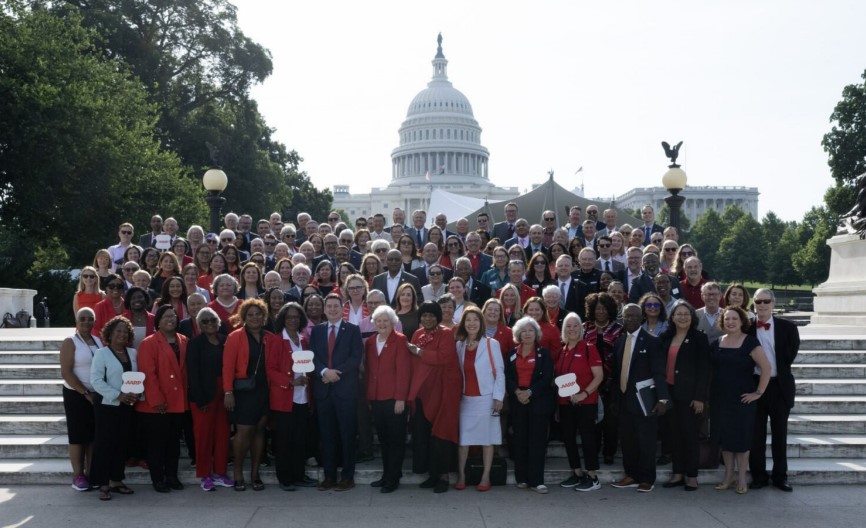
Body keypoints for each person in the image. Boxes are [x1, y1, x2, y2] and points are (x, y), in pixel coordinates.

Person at [710, 306, 771, 494]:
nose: (730, 322)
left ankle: (742, 479)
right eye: (727, 319)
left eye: (734, 319)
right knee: (726, 441)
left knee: (742, 442)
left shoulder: (750, 343)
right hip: (721, 399)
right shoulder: (716, 343)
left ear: (741, 321)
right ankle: (728, 477)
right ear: (722, 321)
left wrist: (758, 393)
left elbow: (766, 369)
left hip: (743, 401)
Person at [610, 304, 669, 493]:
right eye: (627, 316)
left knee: (647, 442)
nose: (631, 319)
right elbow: (617, 373)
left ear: (641, 317)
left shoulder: (652, 342)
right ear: (622, 318)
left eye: (635, 316)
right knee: (628, 441)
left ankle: (646, 478)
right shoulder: (619, 342)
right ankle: (631, 475)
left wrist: (662, 399)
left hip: (645, 401)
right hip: (623, 401)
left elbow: (659, 372)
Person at [310, 294, 364, 491]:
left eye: (336, 306)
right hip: (323, 391)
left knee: (347, 434)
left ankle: (347, 477)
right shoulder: (316, 331)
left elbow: (355, 357)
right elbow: (313, 357)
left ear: (343, 309)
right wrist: (324, 371)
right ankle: (329, 476)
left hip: (345, 390)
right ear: (324, 310)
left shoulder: (352, 330)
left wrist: (335, 373)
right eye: (329, 306)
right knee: (327, 435)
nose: (332, 309)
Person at [748, 289, 800, 492]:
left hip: (779, 386)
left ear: (773, 303)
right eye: (758, 301)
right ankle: (758, 476)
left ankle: (780, 476)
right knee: (756, 435)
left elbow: (791, 353)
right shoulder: (747, 328)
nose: (761, 305)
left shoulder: (788, 327)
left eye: (766, 301)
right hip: (754, 385)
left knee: (780, 434)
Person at [408, 301, 461, 493]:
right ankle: (432, 474)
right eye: (424, 315)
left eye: (431, 315)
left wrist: (421, 352)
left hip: (442, 391)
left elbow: (445, 357)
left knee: (441, 434)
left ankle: (443, 476)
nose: (427, 318)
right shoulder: (417, 334)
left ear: (437, 317)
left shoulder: (446, 333)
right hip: (423, 391)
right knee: (424, 434)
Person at [659, 301, 711, 491]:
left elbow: (704, 369)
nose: (682, 317)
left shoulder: (699, 338)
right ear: (672, 317)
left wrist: (699, 397)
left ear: (692, 317)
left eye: (686, 314)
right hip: (669, 394)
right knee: (674, 436)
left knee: (689, 436)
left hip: (689, 396)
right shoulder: (665, 337)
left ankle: (692, 476)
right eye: (678, 314)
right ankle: (678, 473)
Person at [136, 305, 188, 493]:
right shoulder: (148, 343)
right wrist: (157, 400)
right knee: (157, 445)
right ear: (158, 320)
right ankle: (158, 479)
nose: (170, 319)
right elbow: (148, 374)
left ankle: (172, 477)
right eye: (166, 316)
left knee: (173, 445)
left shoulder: (184, 340)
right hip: (156, 405)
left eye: (173, 316)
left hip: (177, 402)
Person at [454, 307, 505, 492]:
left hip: (487, 398)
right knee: (463, 441)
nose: (471, 323)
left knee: (487, 440)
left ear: (481, 322)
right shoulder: (459, 345)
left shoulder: (492, 344)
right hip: (466, 399)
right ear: (463, 323)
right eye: (468, 320)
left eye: (475, 320)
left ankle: (485, 477)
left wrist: (498, 397)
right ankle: (462, 475)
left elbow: (500, 372)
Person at [267, 303, 316, 491]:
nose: (293, 320)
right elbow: (270, 370)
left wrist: (306, 378)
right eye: (289, 318)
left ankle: (299, 475)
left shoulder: (303, 339)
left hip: (302, 398)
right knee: (284, 441)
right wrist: (289, 381)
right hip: (284, 399)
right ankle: (285, 478)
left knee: (299, 439)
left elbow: (306, 366)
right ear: (282, 320)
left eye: (296, 317)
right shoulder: (277, 340)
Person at [223, 299, 271, 491]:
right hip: (243, 392)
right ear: (243, 317)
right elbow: (227, 366)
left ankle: (255, 474)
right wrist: (228, 392)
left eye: (258, 314)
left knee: (260, 430)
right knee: (243, 432)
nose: (254, 317)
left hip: (264, 391)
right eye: (250, 314)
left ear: (264, 316)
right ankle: (237, 472)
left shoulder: (270, 337)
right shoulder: (235, 337)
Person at [89, 316, 138, 501]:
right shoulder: (102, 354)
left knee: (121, 443)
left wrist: (134, 395)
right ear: (110, 333)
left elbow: (136, 377)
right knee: (105, 443)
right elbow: (96, 381)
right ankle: (103, 483)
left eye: (125, 332)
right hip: (107, 405)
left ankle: (117, 480)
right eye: (118, 331)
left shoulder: (133, 353)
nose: (122, 334)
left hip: (127, 405)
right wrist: (118, 395)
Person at [365, 305, 411, 493]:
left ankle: (393, 477)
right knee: (384, 439)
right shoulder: (370, 341)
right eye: (378, 321)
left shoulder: (400, 340)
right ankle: (386, 474)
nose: (382, 324)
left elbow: (404, 371)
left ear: (393, 322)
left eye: (386, 320)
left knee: (395, 439)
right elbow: (368, 370)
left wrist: (401, 398)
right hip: (376, 397)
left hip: (394, 399)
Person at [505, 316, 554, 493]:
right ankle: (522, 478)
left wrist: (529, 392)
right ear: (518, 333)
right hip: (518, 401)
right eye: (524, 331)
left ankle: (537, 480)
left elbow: (547, 378)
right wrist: (517, 392)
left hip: (538, 401)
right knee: (520, 440)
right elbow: (508, 377)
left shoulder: (544, 353)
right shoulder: (511, 354)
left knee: (537, 441)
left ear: (536, 333)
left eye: (530, 330)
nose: (527, 333)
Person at [186, 307, 233, 492]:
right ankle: (205, 474)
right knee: (204, 437)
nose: (210, 324)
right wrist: (200, 399)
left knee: (222, 435)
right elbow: (193, 372)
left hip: (224, 394)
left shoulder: (224, 340)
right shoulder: (195, 343)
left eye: (213, 320)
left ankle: (220, 472)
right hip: (203, 395)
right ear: (199, 325)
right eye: (205, 321)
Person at [556, 312, 604, 492]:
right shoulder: (563, 349)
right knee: (568, 438)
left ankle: (592, 477)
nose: (572, 329)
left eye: (575, 325)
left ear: (581, 329)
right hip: (565, 403)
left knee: (587, 439)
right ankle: (577, 473)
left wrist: (584, 393)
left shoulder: (588, 347)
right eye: (568, 326)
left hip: (586, 402)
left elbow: (599, 376)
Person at [60, 308, 104, 491]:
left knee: (93, 436)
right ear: (77, 321)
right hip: (77, 394)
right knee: (78, 436)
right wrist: (85, 393)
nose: (86, 322)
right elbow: (66, 372)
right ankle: (78, 475)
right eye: (83, 319)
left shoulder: (98, 341)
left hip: (97, 395)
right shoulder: (70, 342)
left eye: (90, 319)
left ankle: (91, 472)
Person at [583, 292, 623, 465]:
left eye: (604, 309)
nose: (600, 312)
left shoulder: (618, 329)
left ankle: (609, 452)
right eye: (597, 308)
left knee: (611, 420)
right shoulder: (584, 328)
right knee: (592, 419)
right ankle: (594, 450)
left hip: (611, 381)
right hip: (589, 381)